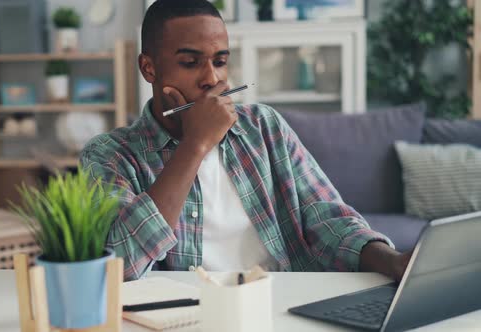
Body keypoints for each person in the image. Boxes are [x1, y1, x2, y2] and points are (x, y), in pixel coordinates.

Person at [81, 0, 411, 281]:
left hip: (281, 300)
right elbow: (119, 265)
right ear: (149, 69)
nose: (212, 78)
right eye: (190, 62)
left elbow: (326, 217)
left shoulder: (263, 126)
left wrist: (391, 260)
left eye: (220, 61)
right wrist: (195, 144)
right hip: (189, 317)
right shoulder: (110, 155)